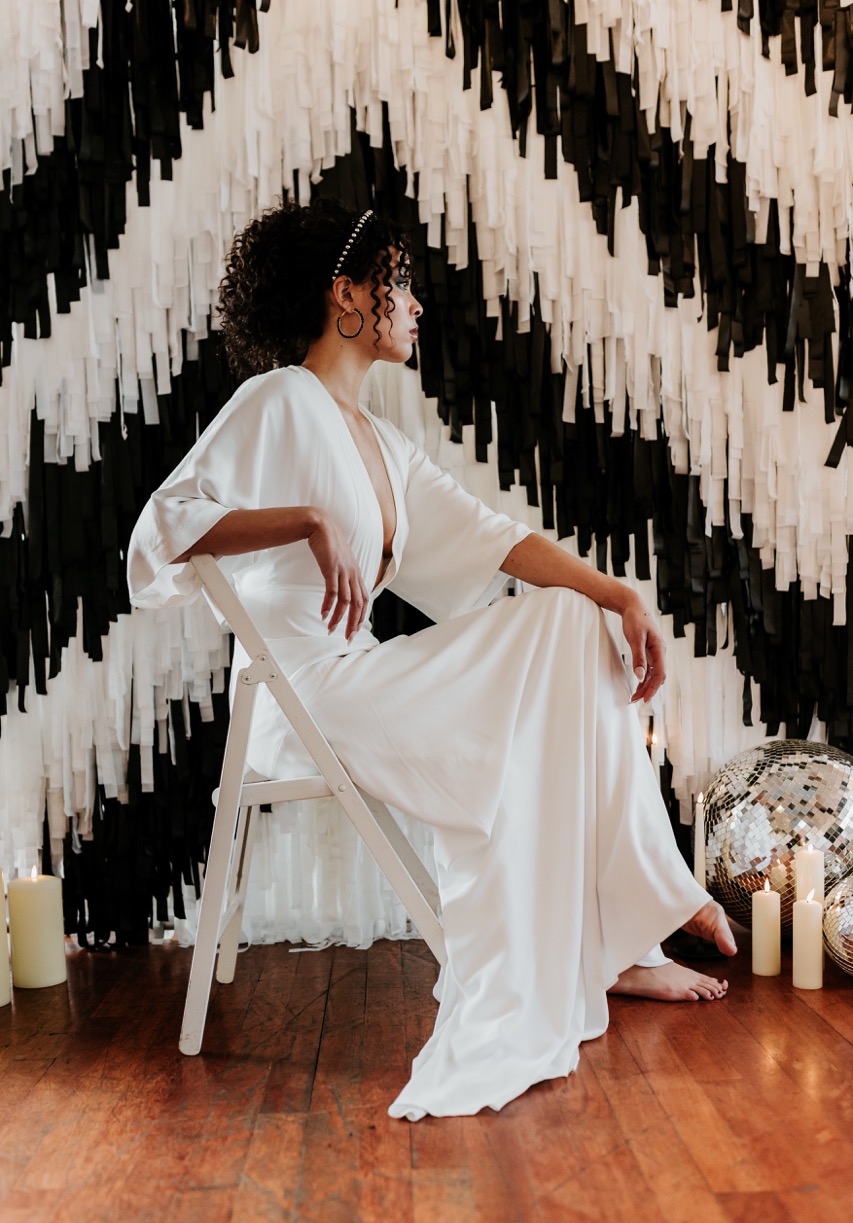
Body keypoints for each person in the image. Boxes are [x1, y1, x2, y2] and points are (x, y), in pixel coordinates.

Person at [127, 198, 736, 1121]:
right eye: (398, 283)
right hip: (308, 702)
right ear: (346, 298)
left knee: (571, 622)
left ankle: (622, 938)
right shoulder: (279, 399)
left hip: (365, 683)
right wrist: (306, 517)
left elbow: (493, 538)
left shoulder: (378, 441)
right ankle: (637, 921)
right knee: (559, 636)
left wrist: (618, 594)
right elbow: (158, 537)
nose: (414, 304)